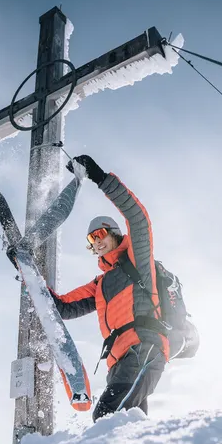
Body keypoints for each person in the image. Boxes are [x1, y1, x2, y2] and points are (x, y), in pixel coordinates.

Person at [49, 154, 169, 422]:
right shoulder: (100, 284)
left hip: (143, 349)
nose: (96, 242)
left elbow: (138, 219)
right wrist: (26, 270)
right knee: (127, 429)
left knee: (106, 417)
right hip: (117, 363)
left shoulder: (137, 261)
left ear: (114, 234)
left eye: (100, 234)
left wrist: (100, 177)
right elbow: (63, 308)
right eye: (91, 240)